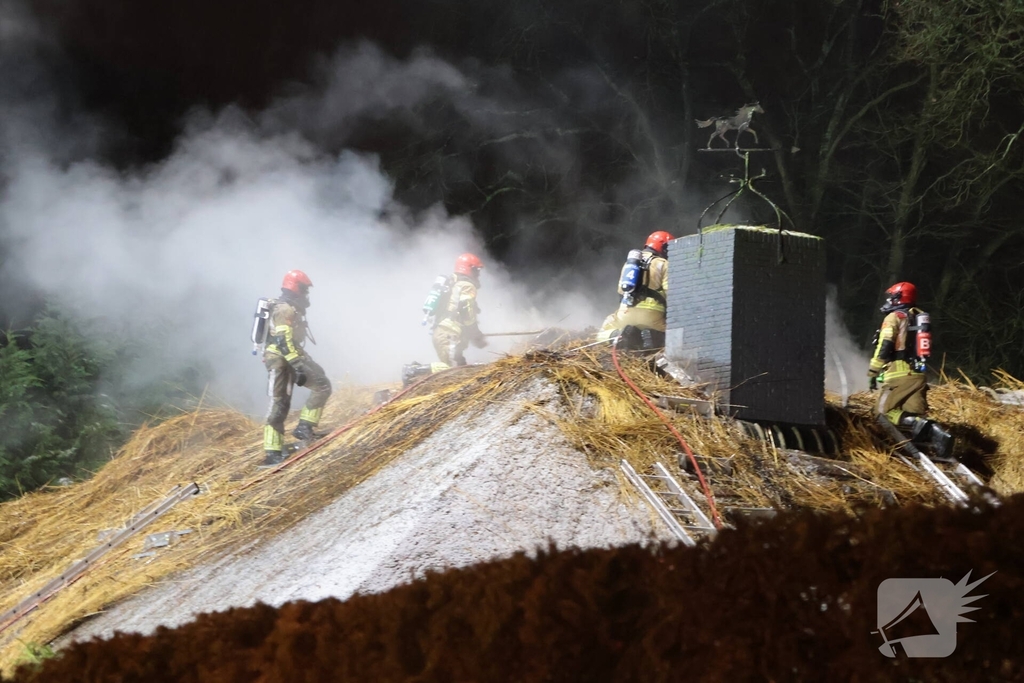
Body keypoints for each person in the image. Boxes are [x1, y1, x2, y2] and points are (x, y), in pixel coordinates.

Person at [868, 281, 953, 460]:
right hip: (919, 375)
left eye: (891, 297)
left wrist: (873, 370)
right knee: (911, 412)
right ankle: (937, 435)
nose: (889, 300)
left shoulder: (894, 317)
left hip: (899, 375)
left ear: (899, 297)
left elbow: (885, 344)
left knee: (881, 413)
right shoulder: (919, 316)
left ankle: (923, 425)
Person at [261, 270, 333, 467]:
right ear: (297, 288)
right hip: (278, 360)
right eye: (305, 290)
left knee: (322, 384)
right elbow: (283, 341)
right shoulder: (285, 310)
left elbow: (293, 342)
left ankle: (305, 428)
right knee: (279, 403)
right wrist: (299, 365)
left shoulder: (291, 308)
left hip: (290, 357)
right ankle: (272, 452)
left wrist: (305, 361)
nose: (307, 295)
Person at [403, 253, 487, 386]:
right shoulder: (466, 285)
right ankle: (414, 371)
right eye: (477, 270)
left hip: (443, 333)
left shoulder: (452, 285)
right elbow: (466, 310)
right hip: (449, 334)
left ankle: (415, 374)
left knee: (462, 371)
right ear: (469, 269)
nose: (478, 275)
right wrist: (475, 333)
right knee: (454, 370)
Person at [597, 230, 673, 350]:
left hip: (626, 314)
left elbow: (621, 293)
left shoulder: (629, 264)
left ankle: (620, 336)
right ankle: (652, 337)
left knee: (601, 334)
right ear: (664, 248)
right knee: (675, 336)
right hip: (653, 318)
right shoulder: (664, 264)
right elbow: (672, 294)